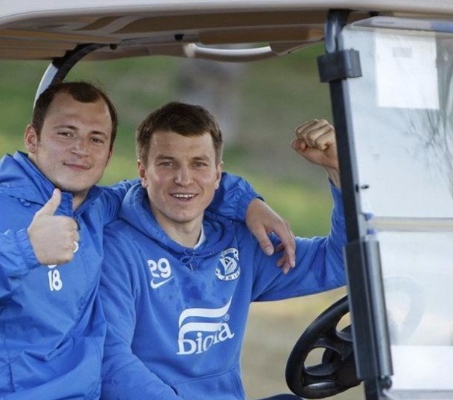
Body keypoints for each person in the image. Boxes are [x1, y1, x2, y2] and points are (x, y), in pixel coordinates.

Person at [0, 81, 298, 399]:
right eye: (66, 133)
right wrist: (24, 250)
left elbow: (170, 184)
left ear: (108, 154)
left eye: (95, 138)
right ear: (33, 139)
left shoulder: (96, 207)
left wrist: (248, 202)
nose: (80, 150)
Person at [99, 102, 346, 400]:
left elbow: (339, 262)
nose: (184, 178)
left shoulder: (239, 242)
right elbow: (112, 361)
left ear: (218, 174)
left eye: (199, 164)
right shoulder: (116, 251)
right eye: (167, 163)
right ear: (143, 172)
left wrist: (340, 170)